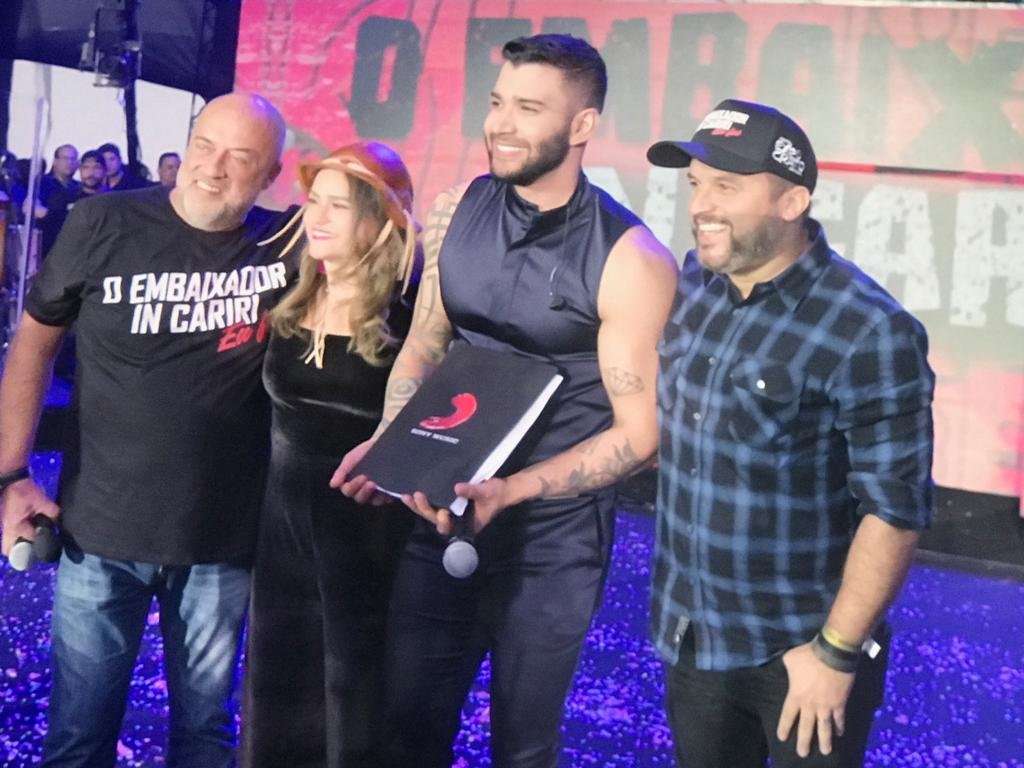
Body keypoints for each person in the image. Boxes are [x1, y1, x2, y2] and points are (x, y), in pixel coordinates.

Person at [334, 34, 678, 768]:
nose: (500, 124)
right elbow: (425, 344)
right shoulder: (457, 208)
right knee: (404, 731)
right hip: (442, 511)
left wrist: (512, 491)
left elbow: (639, 433)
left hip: (552, 543)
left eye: (528, 108)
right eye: (497, 103)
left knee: (521, 747)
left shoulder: (631, 258)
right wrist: (395, 444)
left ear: (582, 125)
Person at [0, 92, 293, 767]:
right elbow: (34, 343)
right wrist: (12, 475)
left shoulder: (288, 243)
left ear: (271, 174)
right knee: (78, 738)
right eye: (204, 146)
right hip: (97, 534)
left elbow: (378, 251)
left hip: (221, 541)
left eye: (239, 157)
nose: (212, 168)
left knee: (205, 737)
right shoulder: (103, 221)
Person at [646, 99, 935, 767]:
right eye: (696, 183)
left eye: (726, 186)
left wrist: (836, 652)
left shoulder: (870, 328)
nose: (701, 205)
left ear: (792, 201)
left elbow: (893, 511)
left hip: (801, 655)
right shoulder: (694, 284)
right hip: (693, 639)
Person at [241, 142, 419, 767]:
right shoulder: (291, 299)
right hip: (282, 534)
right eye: (313, 201)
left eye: (337, 206)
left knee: (353, 693)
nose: (314, 217)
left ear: (378, 221)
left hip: (365, 539)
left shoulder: (410, 318)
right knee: (277, 686)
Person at [37, 149, 106, 259]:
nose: (91, 172)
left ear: (104, 171)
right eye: (86, 167)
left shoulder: (112, 199)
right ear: (80, 170)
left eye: (96, 168)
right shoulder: (64, 198)